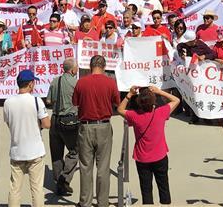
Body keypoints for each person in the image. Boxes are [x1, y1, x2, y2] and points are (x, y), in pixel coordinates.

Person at [117, 85, 180, 205]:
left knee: (146, 189)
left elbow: (120, 109)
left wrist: (129, 94)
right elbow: (176, 100)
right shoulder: (161, 112)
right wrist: (159, 91)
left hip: (142, 158)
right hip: (160, 156)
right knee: (164, 186)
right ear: (154, 101)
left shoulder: (134, 115)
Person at [72, 55, 120, 207]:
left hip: (85, 126)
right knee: (103, 167)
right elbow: (116, 103)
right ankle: (102, 202)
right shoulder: (110, 82)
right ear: (104, 66)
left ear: (90, 66)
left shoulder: (81, 82)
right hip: (104, 125)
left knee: (85, 167)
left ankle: (85, 202)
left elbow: (75, 103)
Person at [4, 69, 51, 207]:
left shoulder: (8, 102)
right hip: (35, 151)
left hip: (17, 150)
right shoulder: (36, 101)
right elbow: (47, 124)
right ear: (30, 84)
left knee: (15, 188)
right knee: (36, 189)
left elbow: (8, 123)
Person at [46, 58, 79, 196]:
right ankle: (64, 178)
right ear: (72, 70)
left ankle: (59, 185)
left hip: (55, 120)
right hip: (70, 121)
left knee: (56, 154)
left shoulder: (55, 81)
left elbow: (48, 100)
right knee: (75, 151)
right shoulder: (76, 83)